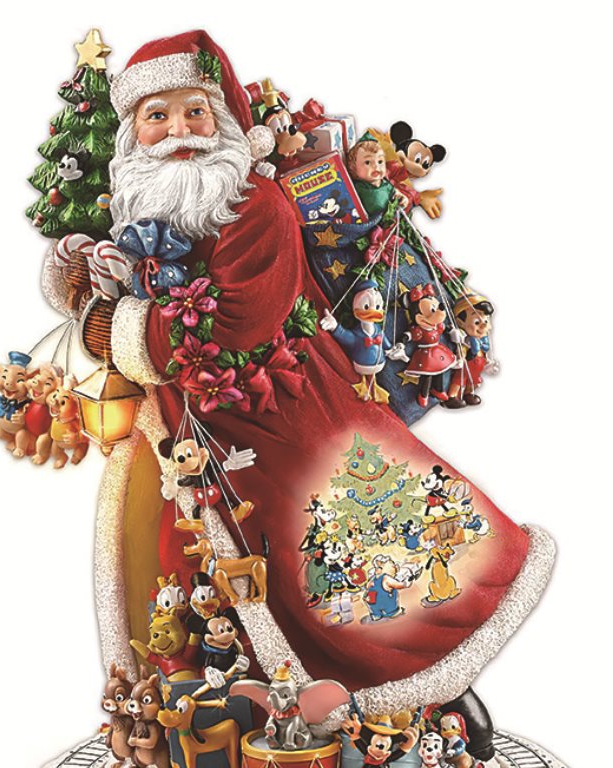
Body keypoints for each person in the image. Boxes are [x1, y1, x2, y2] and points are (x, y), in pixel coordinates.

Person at [40, 30, 553, 711]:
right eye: (156, 116)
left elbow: (237, 322)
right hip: (194, 431)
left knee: (335, 554)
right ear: (134, 132)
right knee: (212, 564)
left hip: (286, 412)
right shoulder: (142, 202)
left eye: (194, 112)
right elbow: (133, 280)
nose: (177, 131)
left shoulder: (256, 206)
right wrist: (82, 282)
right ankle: (226, 695)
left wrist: (117, 327)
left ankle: (419, 690)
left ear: (223, 120)